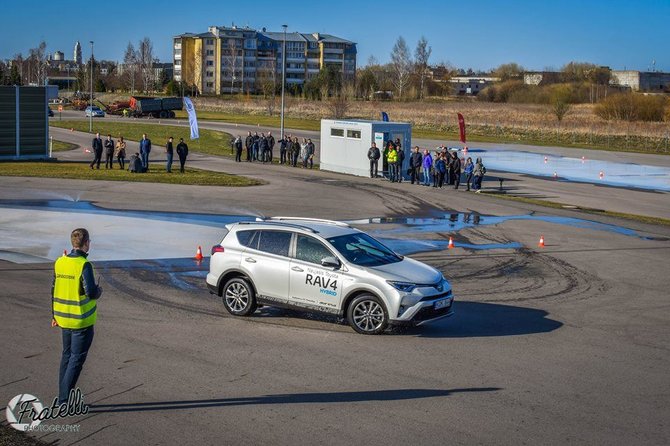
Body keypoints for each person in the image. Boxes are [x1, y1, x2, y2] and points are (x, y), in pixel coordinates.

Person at [51, 228, 102, 405]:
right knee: (76, 358)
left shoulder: (60, 262)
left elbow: (53, 289)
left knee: (66, 355)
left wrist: (54, 315)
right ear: (86, 243)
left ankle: (62, 395)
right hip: (80, 320)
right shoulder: (83, 265)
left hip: (63, 318)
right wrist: (99, 291)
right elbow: (90, 292)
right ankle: (64, 400)